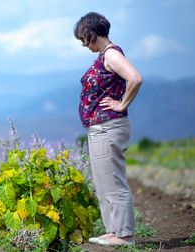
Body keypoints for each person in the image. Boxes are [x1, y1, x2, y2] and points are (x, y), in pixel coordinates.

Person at [74, 12, 142, 246]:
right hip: (100, 128)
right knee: (103, 183)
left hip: (109, 127)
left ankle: (123, 235)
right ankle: (113, 230)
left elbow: (135, 78)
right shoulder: (105, 55)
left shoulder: (111, 54)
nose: (84, 44)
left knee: (113, 181)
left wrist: (122, 103)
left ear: (90, 33)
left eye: (83, 38)